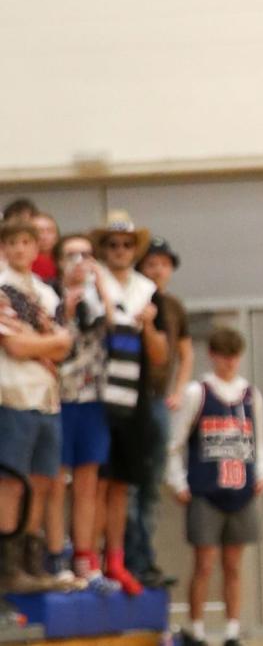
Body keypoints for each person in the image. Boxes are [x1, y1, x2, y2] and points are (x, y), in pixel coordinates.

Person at [166, 327, 263, 646]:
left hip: (241, 490)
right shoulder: (198, 393)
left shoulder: (251, 394)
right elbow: (174, 443)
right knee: (204, 563)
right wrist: (176, 480)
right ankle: (196, 629)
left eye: (234, 357)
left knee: (233, 565)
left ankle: (232, 631)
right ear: (212, 356)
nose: (230, 363)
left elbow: (259, 441)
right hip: (206, 491)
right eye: (224, 356)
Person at [91, 209, 167, 595]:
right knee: (93, 484)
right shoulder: (92, 284)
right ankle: (89, 560)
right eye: (112, 244)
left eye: (126, 244)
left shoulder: (149, 291)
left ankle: (117, 560)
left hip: (134, 398)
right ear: (103, 249)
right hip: (94, 396)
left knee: (122, 484)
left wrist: (149, 324)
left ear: (134, 249)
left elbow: (160, 356)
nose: (119, 250)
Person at [0, 219, 73, 593]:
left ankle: (32, 560)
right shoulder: (1, 287)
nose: (18, 249)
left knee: (44, 479)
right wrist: (49, 343)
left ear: (36, 248)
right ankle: (8, 565)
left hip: (48, 398)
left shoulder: (46, 292)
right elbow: (14, 346)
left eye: (25, 242)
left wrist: (43, 344)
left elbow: (66, 347)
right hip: (13, 393)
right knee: (12, 482)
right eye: (11, 242)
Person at [45, 233, 119, 593]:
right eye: (71, 255)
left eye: (86, 255)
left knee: (88, 484)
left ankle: (86, 560)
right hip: (57, 399)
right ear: (58, 261)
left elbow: (119, 328)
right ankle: (57, 557)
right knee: (57, 482)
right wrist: (67, 310)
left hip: (94, 398)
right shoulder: (45, 295)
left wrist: (102, 289)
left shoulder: (101, 294)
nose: (79, 262)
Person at [126, 236, 191, 588]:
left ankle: (145, 558)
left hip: (157, 399)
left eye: (163, 264)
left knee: (152, 484)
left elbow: (185, 352)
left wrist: (179, 390)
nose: (157, 269)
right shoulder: (134, 298)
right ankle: (130, 559)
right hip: (129, 401)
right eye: (151, 263)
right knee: (131, 487)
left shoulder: (173, 307)